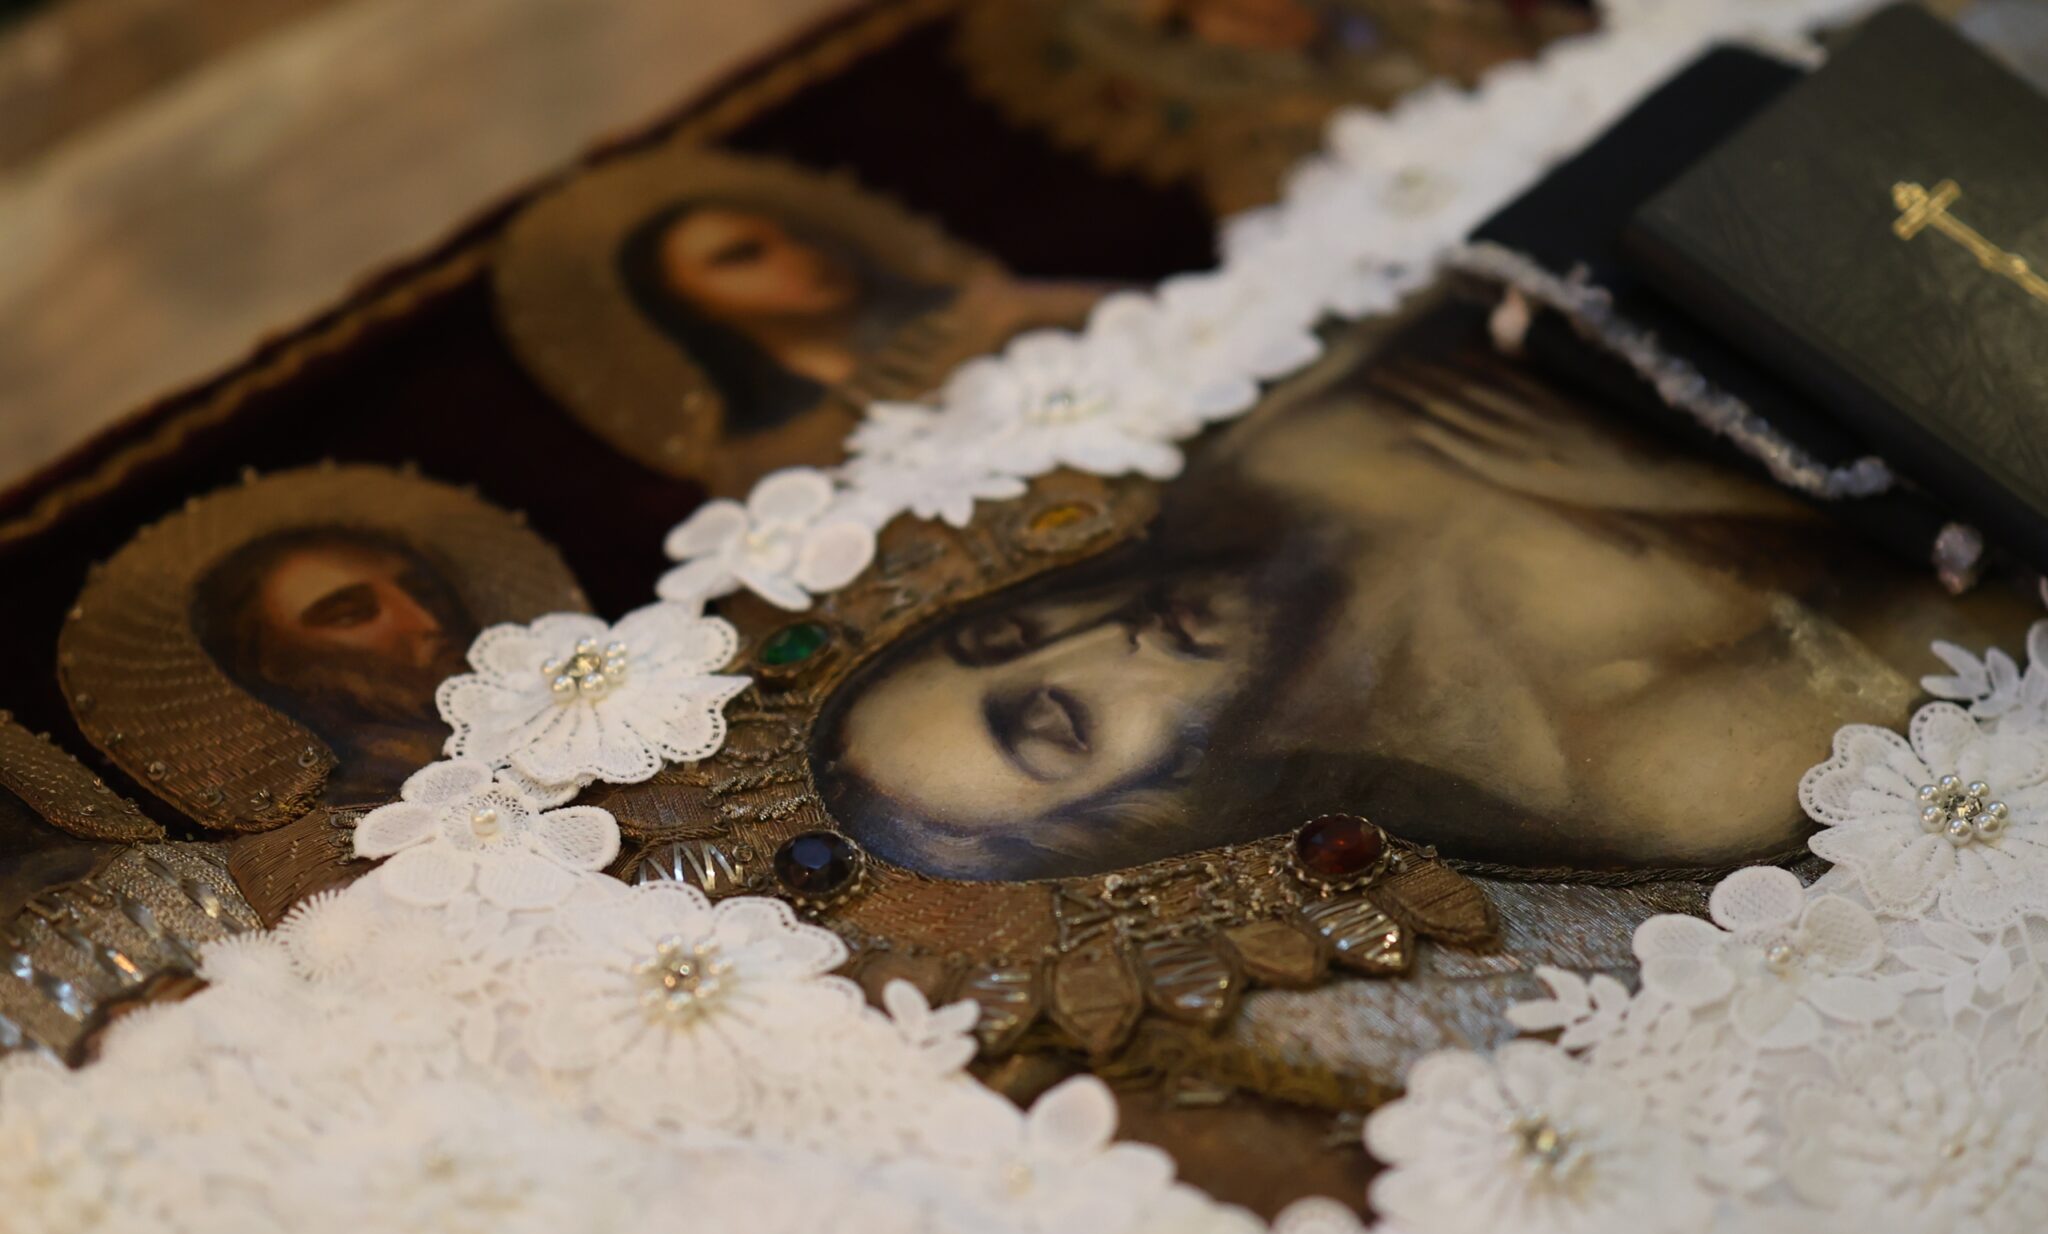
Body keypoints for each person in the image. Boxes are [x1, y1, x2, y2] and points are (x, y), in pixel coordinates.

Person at [814, 308, 2036, 880]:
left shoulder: (1284, 457)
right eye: (1055, 718)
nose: (1099, 634)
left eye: (1008, 630)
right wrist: (1663, 492)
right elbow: (1986, 621)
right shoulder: (1637, 777)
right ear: (1144, 812)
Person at [618, 200, 956, 438]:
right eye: (742, 255)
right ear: (686, 304)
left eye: (797, 235)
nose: (797, 256)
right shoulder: (765, 438)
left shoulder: (952, 317)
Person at [193, 528, 474, 805]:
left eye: (423, 593)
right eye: (350, 614)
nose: (426, 622)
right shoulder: (361, 794)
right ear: (277, 665)